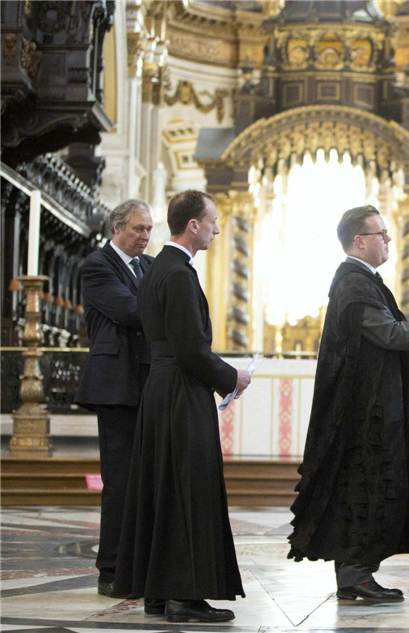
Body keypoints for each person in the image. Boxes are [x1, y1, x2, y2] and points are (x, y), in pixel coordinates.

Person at [286, 205, 409, 602]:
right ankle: (355, 575)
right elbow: (384, 334)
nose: (388, 239)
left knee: (367, 485)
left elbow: (384, 333)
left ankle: (356, 575)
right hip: (362, 413)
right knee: (362, 486)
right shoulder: (353, 283)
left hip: (369, 406)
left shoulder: (362, 281)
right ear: (358, 241)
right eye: (381, 233)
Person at [113, 190, 251, 623]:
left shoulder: (158, 269)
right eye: (212, 221)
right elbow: (191, 348)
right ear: (193, 225)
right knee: (186, 488)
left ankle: (158, 592)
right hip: (180, 392)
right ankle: (184, 597)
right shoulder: (177, 273)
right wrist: (232, 378)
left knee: (161, 486)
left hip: (162, 388)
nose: (215, 228)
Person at [75, 199, 154, 597]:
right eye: (138, 229)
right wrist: (168, 308)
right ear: (117, 228)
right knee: (120, 481)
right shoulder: (97, 265)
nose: (144, 236)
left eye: (149, 230)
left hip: (149, 382)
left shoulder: (151, 266)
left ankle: (141, 564)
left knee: (147, 480)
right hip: (116, 385)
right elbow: (128, 311)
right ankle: (112, 570)